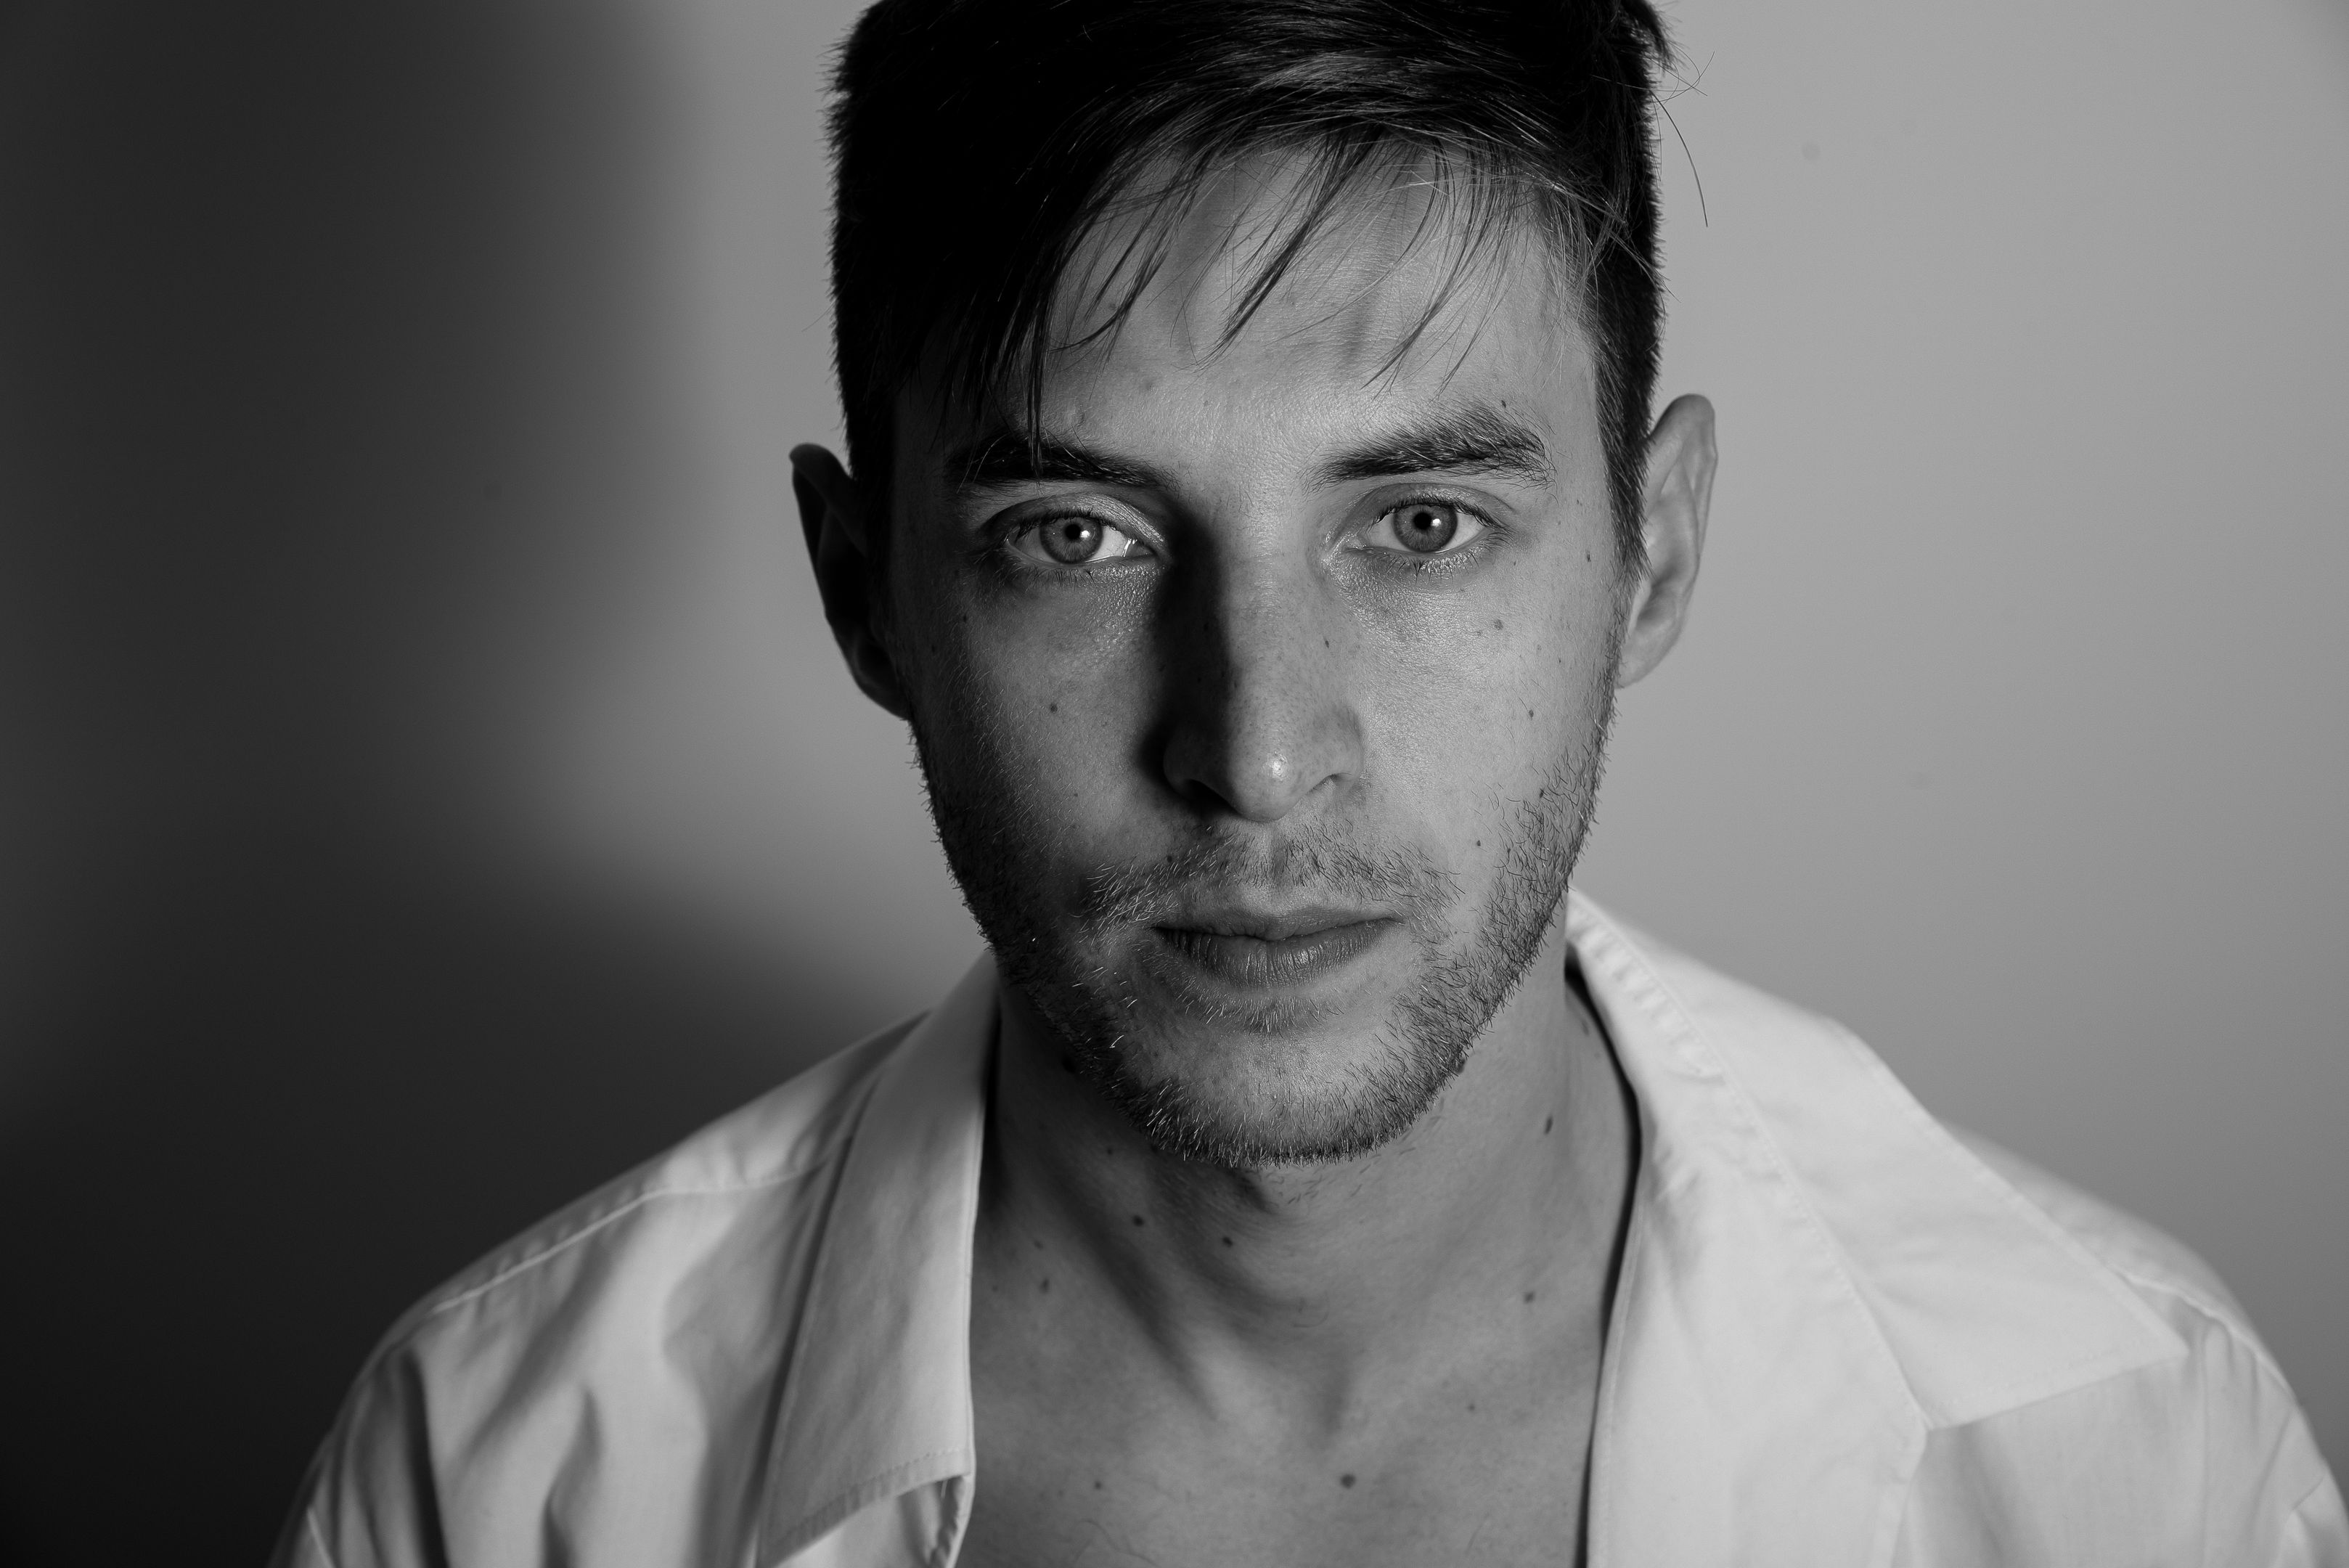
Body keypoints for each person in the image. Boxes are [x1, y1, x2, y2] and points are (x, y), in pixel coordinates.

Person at [274, 1, 2344, 1564]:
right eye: (1077, 535)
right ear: (865, 591)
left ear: (1651, 555)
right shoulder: (498, 1476)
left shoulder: (2129, 1455)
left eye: (1421, 525)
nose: (1254, 756)